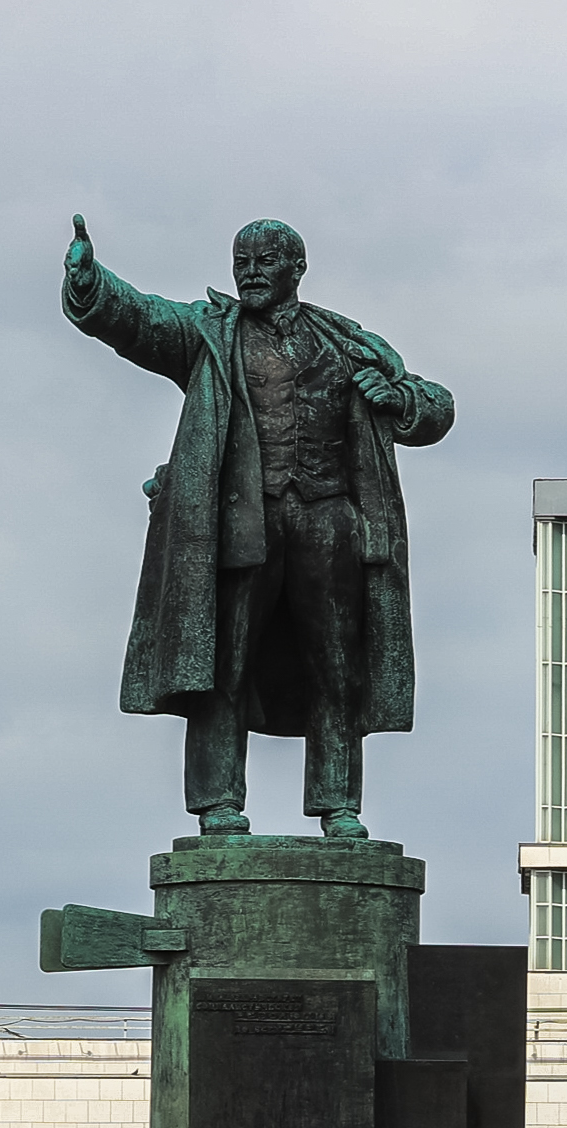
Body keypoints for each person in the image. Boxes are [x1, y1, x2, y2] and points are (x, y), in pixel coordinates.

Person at [60, 213, 454, 840]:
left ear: (296, 269)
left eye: (263, 261)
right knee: (225, 662)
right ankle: (218, 802)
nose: (249, 273)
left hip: (331, 523)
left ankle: (339, 805)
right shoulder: (209, 333)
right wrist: (90, 283)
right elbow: (139, 319)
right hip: (242, 522)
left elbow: (434, 408)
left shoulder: (344, 342)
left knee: (337, 667)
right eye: (241, 262)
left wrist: (398, 398)